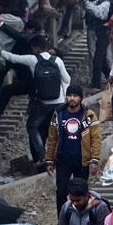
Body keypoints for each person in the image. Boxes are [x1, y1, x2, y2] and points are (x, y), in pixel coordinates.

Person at [0, 34, 71, 164]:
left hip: (43, 103)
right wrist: (64, 98)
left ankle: (41, 155)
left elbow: (13, 58)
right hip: (59, 102)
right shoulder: (57, 60)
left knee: (32, 126)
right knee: (57, 129)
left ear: (36, 48)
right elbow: (67, 79)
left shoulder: (33, 59)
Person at [44, 85, 102, 214]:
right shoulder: (58, 114)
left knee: (81, 193)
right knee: (61, 192)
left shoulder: (88, 115)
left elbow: (96, 138)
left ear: (81, 98)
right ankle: (62, 220)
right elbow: (52, 138)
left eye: (75, 96)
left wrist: (95, 159)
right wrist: (49, 160)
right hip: (63, 160)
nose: (72, 98)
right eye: (69, 95)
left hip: (81, 160)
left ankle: (82, 218)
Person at [0, 18, 41, 130]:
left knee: (6, 90)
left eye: (26, 30)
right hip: (33, 81)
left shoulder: (28, 40)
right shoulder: (39, 42)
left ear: (31, 30)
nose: (24, 32)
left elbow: (14, 34)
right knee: (3, 79)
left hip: (28, 81)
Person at [86, 0, 113, 91]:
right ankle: (111, 79)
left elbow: (98, 13)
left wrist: (85, 2)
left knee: (98, 59)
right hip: (100, 34)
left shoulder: (106, 3)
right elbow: (92, 5)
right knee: (101, 60)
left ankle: (96, 85)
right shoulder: (99, 1)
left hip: (104, 33)